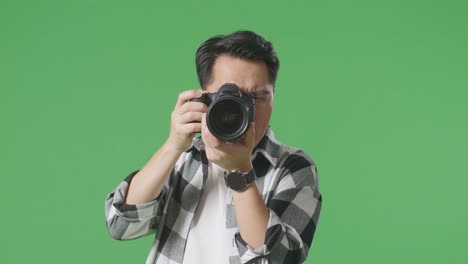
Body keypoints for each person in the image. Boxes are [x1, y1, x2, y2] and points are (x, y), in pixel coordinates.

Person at [104, 30, 322, 264]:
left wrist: (241, 173)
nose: (245, 109)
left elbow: (281, 259)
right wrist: (173, 145)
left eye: (257, 98)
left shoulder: (293, 167)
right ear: (203, 97)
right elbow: (122, 225)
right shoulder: (184, 157)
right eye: (231, 96)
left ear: (273, 96)